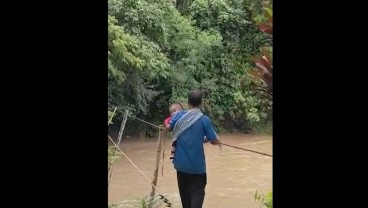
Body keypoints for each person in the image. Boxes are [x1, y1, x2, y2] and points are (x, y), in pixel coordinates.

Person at [167, 90, 221, 208]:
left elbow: (170, 127)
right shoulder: (204, 120)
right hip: (197, 169)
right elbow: (213, 140)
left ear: (188, 102)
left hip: (181, 167)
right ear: (200, 103)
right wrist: (218, 141)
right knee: (196, 199)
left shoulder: (179, 115)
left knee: (185, 200)